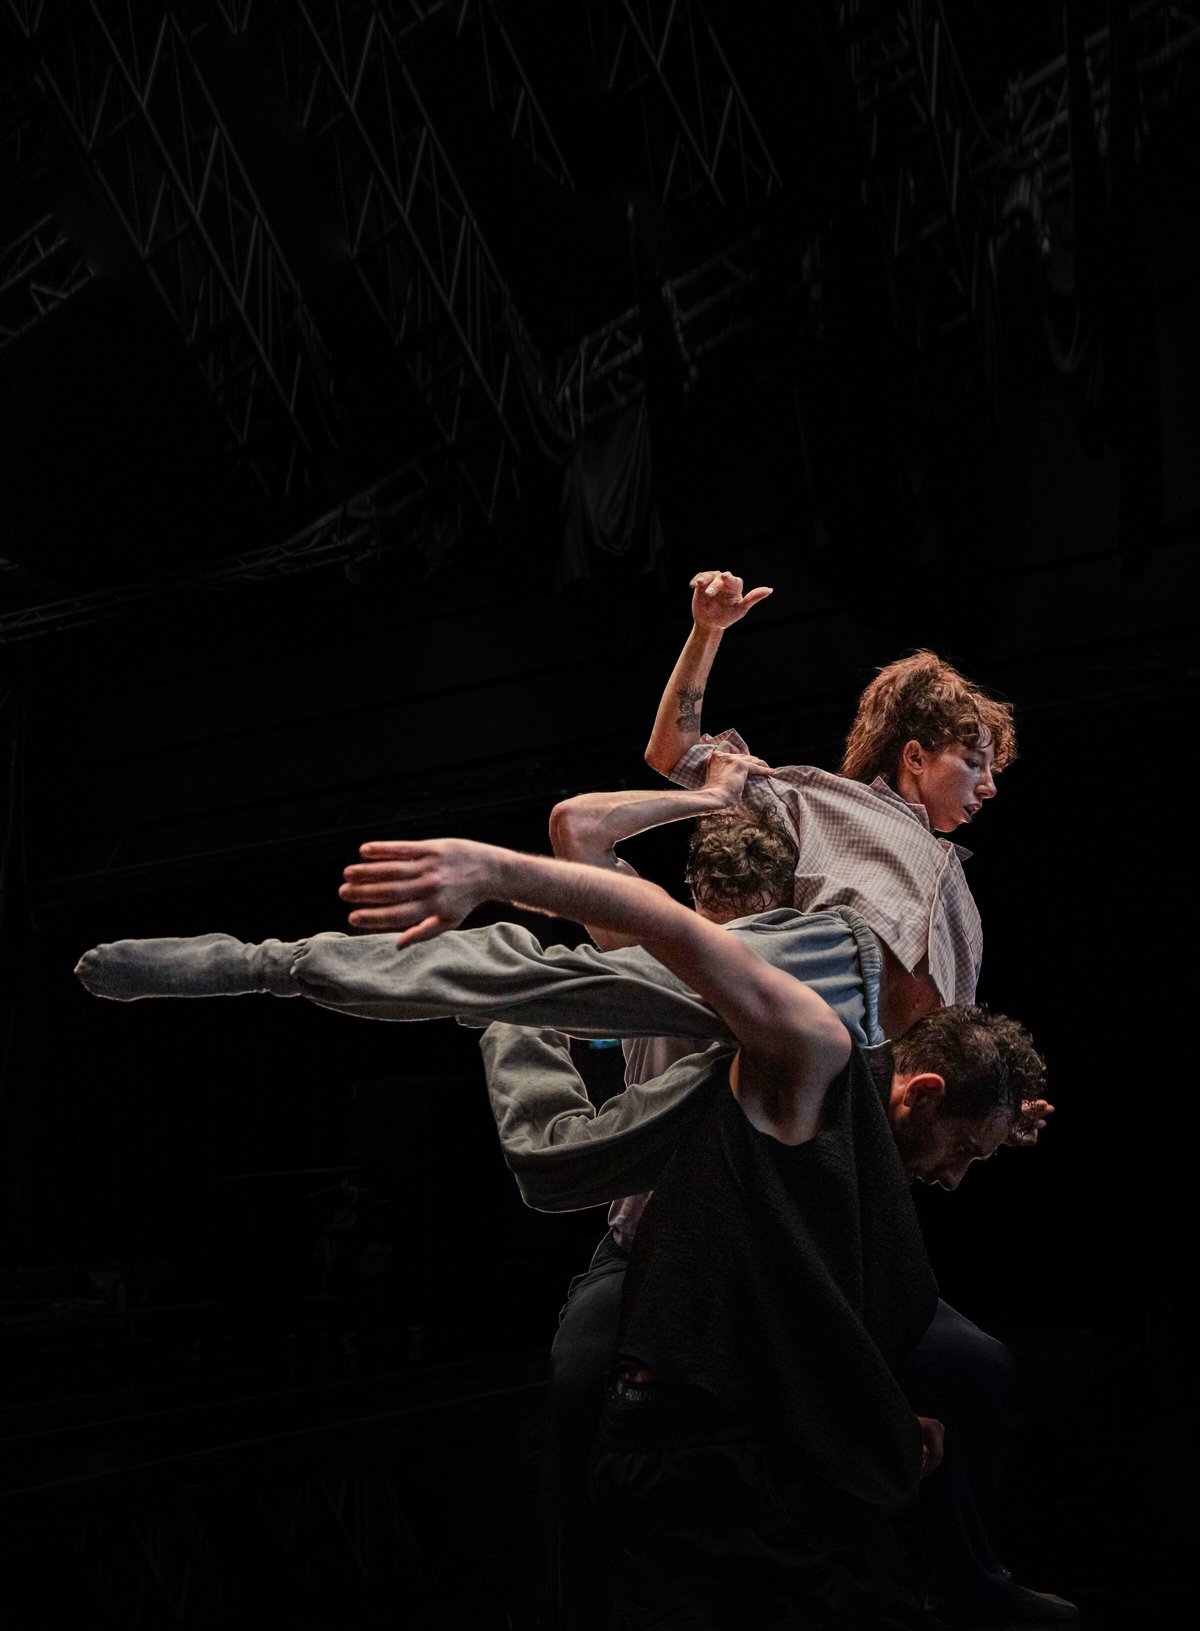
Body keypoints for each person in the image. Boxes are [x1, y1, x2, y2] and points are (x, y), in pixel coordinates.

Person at [332, 830, 1045, 1629]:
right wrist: (504, 871)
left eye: (760, 917)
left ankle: (970, 1579)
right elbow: (591, 846)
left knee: (969, 1364)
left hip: (761, 1261)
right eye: (718, 915)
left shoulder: (828, 1019)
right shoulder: (692, 981)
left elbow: (940, 1051)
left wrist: (996, 1119)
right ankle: (574, 1604)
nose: (739, 931)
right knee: (579, 1381)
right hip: (651, 1248)